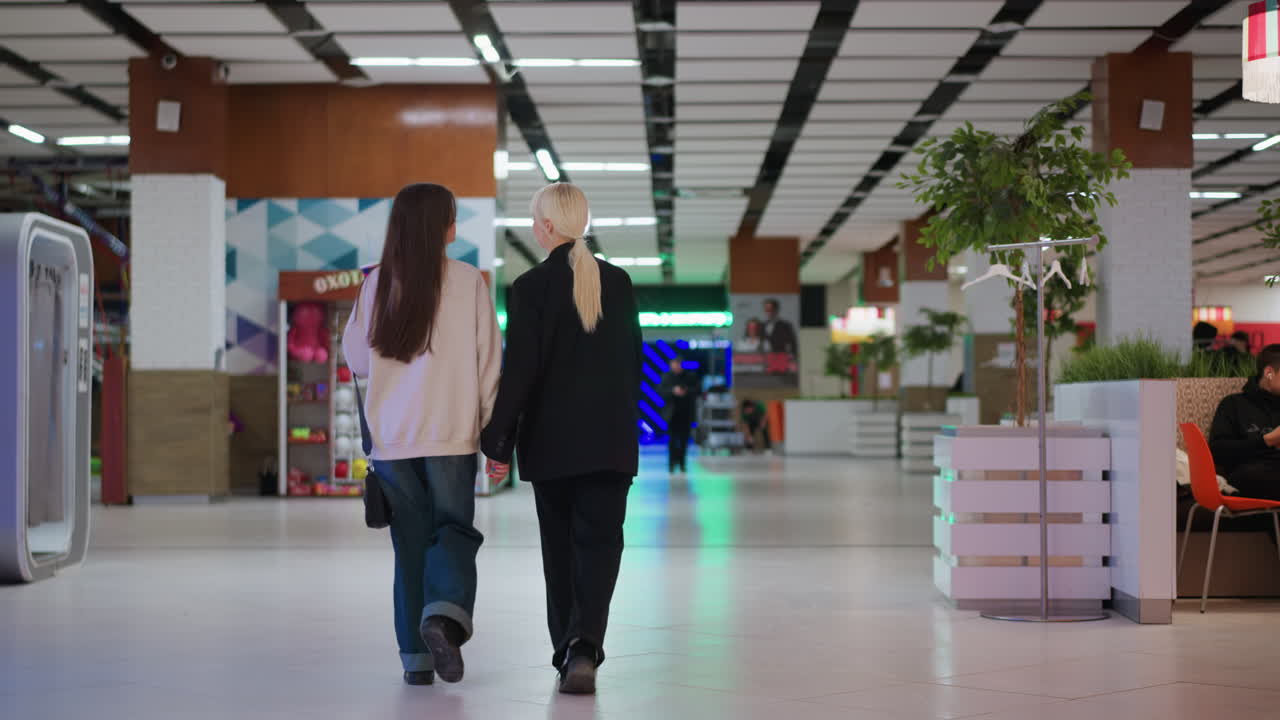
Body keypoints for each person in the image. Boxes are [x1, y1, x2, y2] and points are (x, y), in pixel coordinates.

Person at [480, 182, 642, 695]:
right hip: (611, 445)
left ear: (547, 226)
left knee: (560, 550)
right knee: (600, 547)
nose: (533, 228)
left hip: (552, 447)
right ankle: (586, 647)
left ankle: (567, 648)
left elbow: (521, 371)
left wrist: (497, 442)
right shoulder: (618, 283)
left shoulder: (529, 288)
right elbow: (632, 366)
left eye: (534, 220)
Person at [342, 183, 501, 687]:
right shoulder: (468, 281)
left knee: (408, 546)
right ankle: (443, 616)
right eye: (453, 219)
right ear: (442, 228)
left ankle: (415, 659)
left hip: (394, 441)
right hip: (452, 435)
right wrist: (493, 431)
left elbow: (357, 360)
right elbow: (489, 364)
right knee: (453, 529)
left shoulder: (375, 284)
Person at [1208, 344, 1280, 501]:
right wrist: (1267, 441)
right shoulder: (1234, 404)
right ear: (1269, 373)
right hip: (1250, 476)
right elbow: (1217, 451)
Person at [659, 356, 700, 473]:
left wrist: (685, 391)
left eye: (678, 364)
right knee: (672, 441)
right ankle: (671, 464)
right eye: (674, 364)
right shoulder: (667, 377)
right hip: (671, 415)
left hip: (686, 413)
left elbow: (697, 390)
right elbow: (661, 391)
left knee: (684, 440)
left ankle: (682, 464)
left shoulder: (690, 376)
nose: (676, 366)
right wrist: (673, 391)